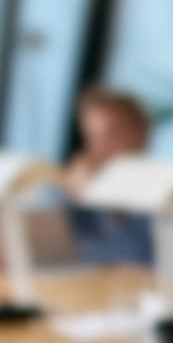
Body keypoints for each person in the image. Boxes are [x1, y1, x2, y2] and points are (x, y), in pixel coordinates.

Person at [64, 85, 155, 265]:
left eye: (112, 135)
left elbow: (135, 257)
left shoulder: (166, 193)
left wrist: (106, 202)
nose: (101, 149)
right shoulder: (81, 192)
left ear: (141, 131)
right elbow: (50, 253)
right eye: (93, 138)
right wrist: (71, 196)